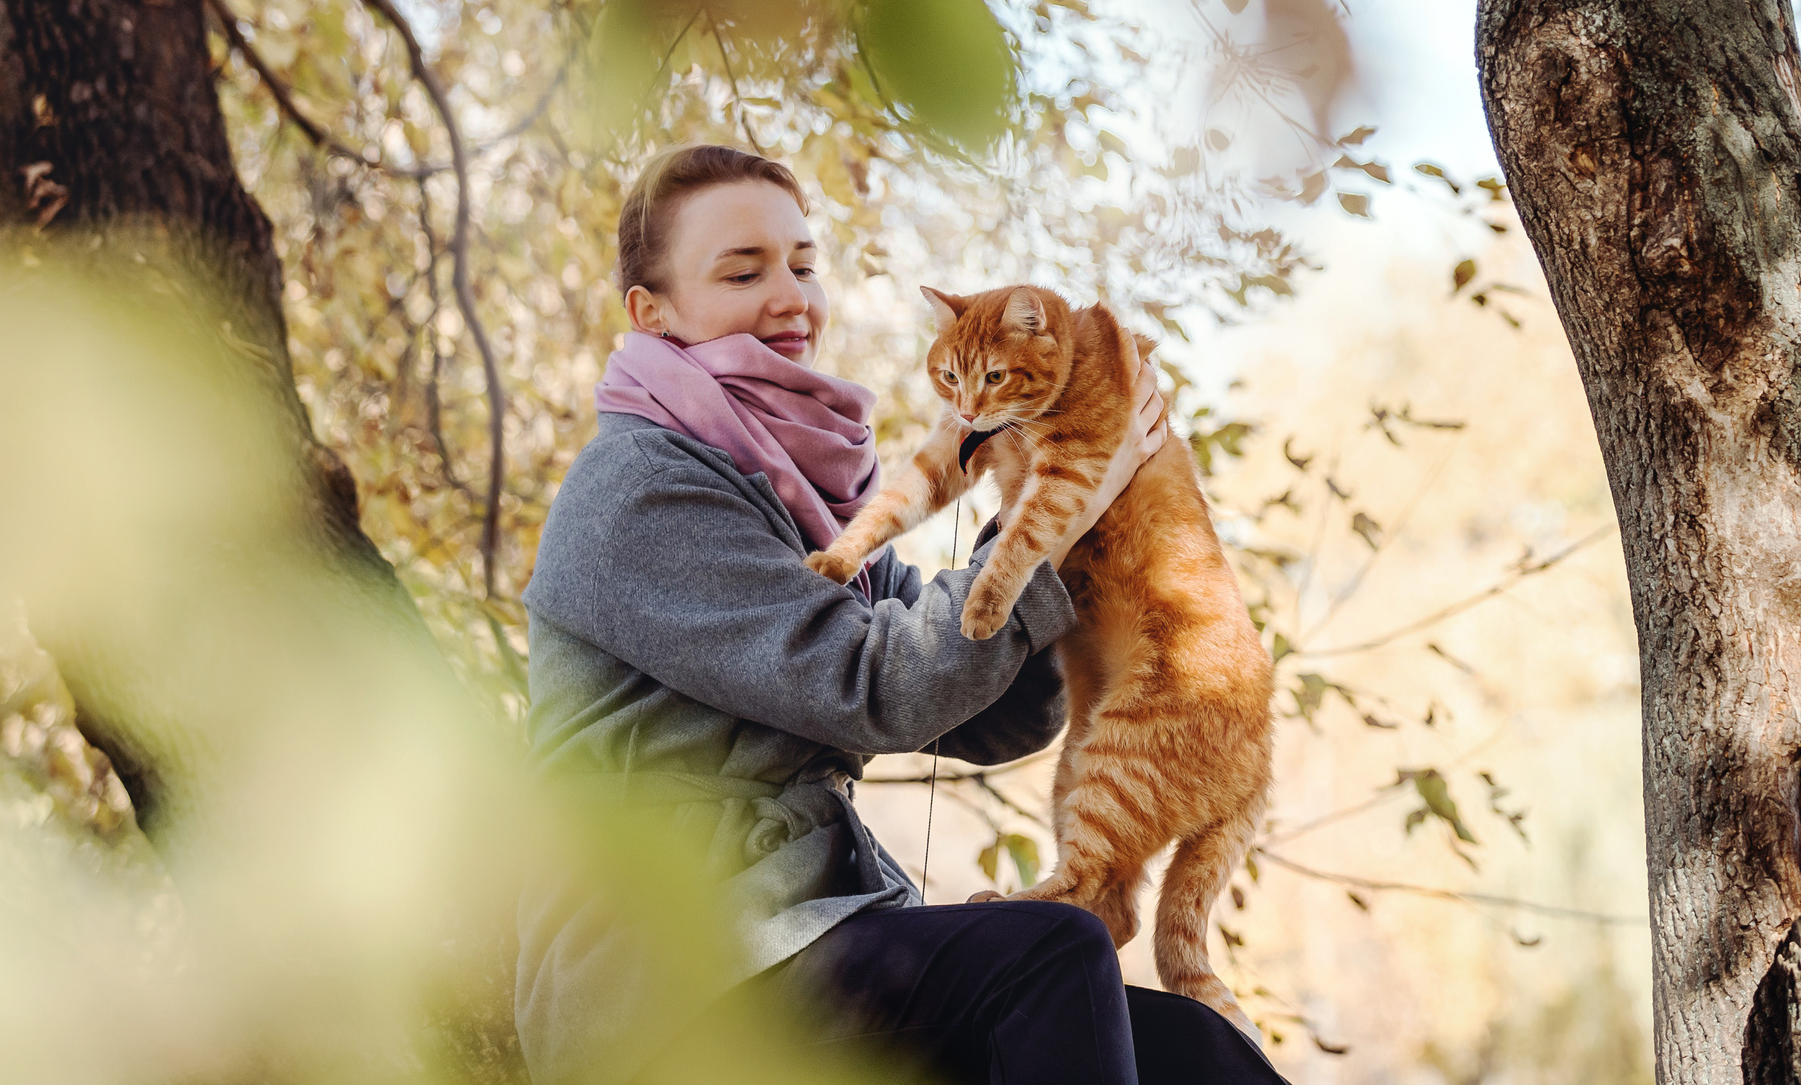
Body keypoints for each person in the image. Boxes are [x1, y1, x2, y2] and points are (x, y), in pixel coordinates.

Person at [518, 145, 1285, 1085]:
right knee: (1048, 952)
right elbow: (867, 684)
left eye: (803, 265)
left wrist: (1079, 510)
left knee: (1202, 1053)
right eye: (743, 270)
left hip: (811, 934)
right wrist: (1044, 535)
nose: (790, 295)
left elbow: (998, 711)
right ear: (652, 311)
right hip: (670, 972)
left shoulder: (803, 500)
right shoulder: (639, 489)